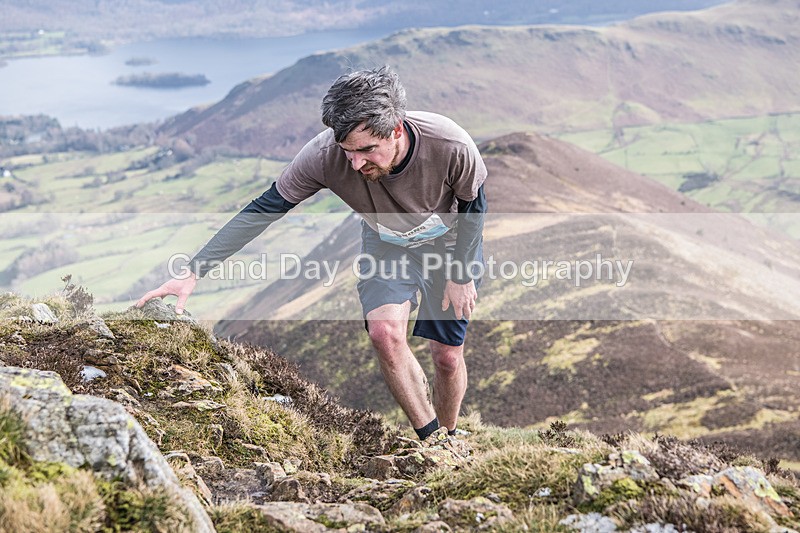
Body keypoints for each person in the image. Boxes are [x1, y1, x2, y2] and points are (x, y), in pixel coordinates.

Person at [137, 65, 487, 442]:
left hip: (449, 247)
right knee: (384, 333)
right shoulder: (322, 155)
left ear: (396, 130)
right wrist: (193, 271)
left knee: (446, 358)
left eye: (367, 150)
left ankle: (450, 434)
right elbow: (265, 208)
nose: (356, 164)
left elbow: (474, 205)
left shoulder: (450, 144)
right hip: (387, 246)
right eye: (347, 152)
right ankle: (432, 441)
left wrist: (462, 275)